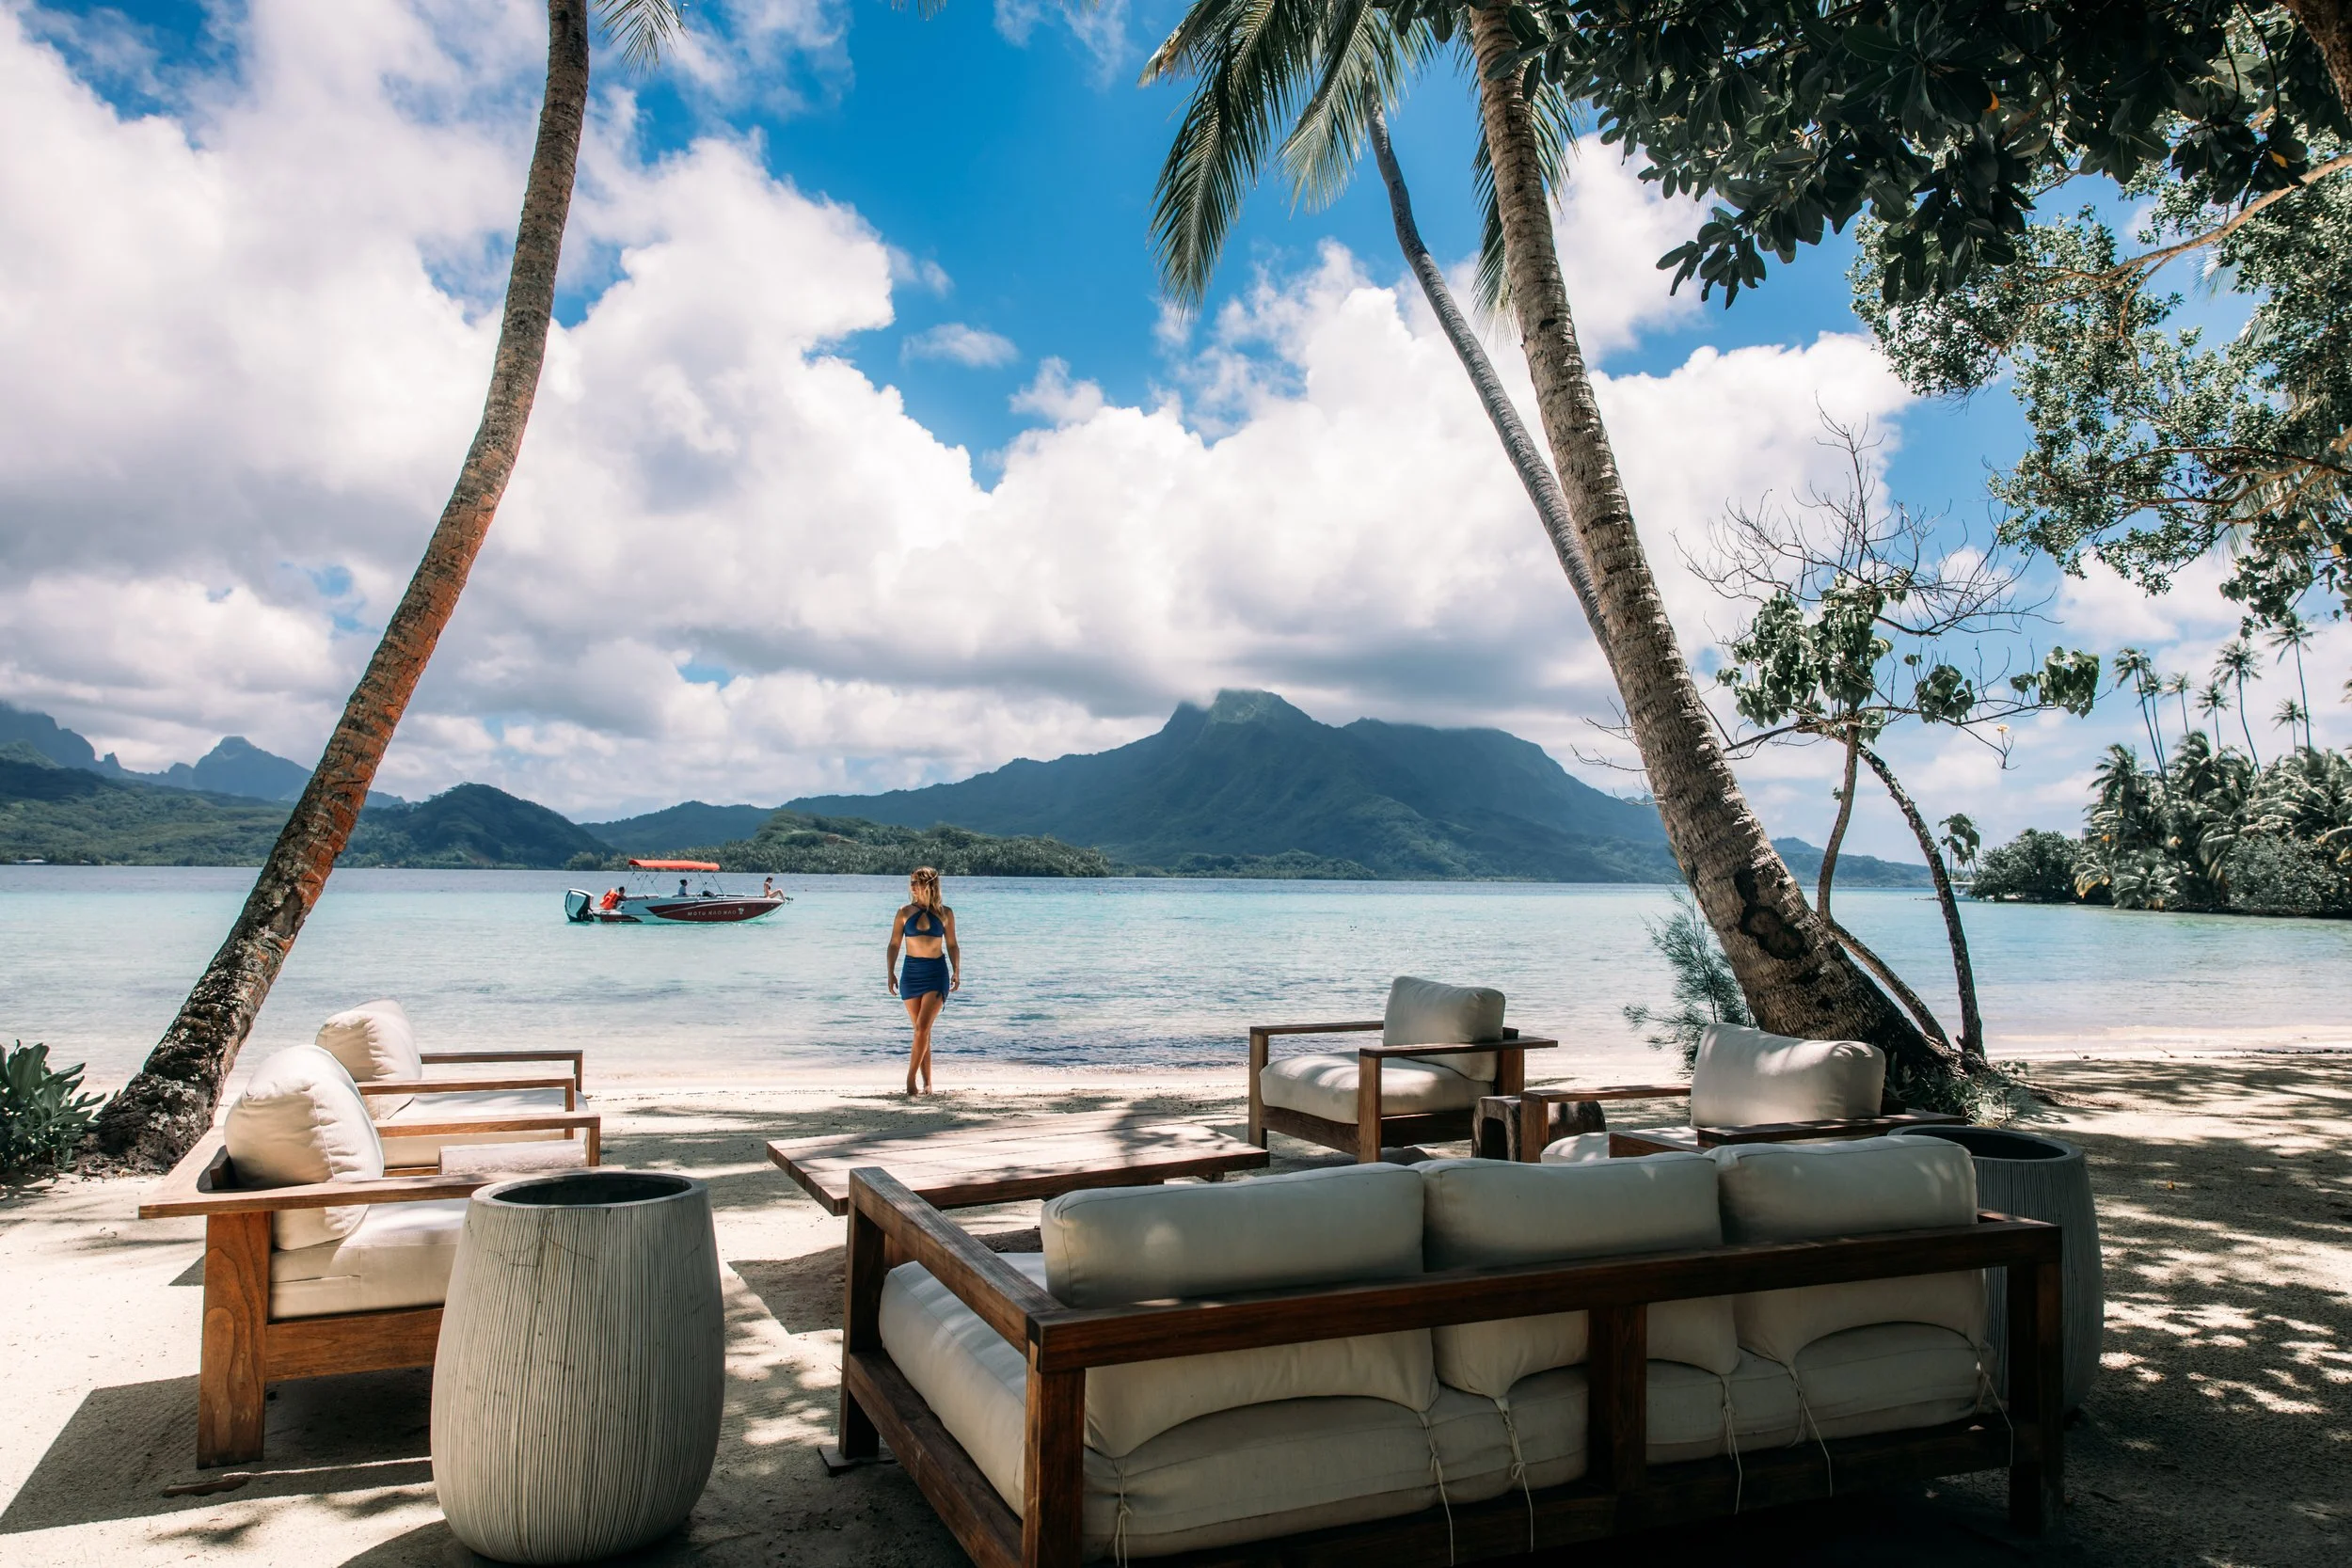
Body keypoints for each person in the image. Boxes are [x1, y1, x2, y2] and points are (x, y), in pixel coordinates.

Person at [885, 866, 960, 1096]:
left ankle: (910, 1080)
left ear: (929, 885)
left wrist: (957, 970)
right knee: (921, 1031)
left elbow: (952, 944)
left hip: (936, 973)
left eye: (917, 882)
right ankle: (928, 1084)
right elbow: (894, 944)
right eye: (911, 882)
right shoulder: (904, 912)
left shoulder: (945, 913)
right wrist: (890, 972)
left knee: (922, 1027)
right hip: (911, 974)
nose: (912, 886)